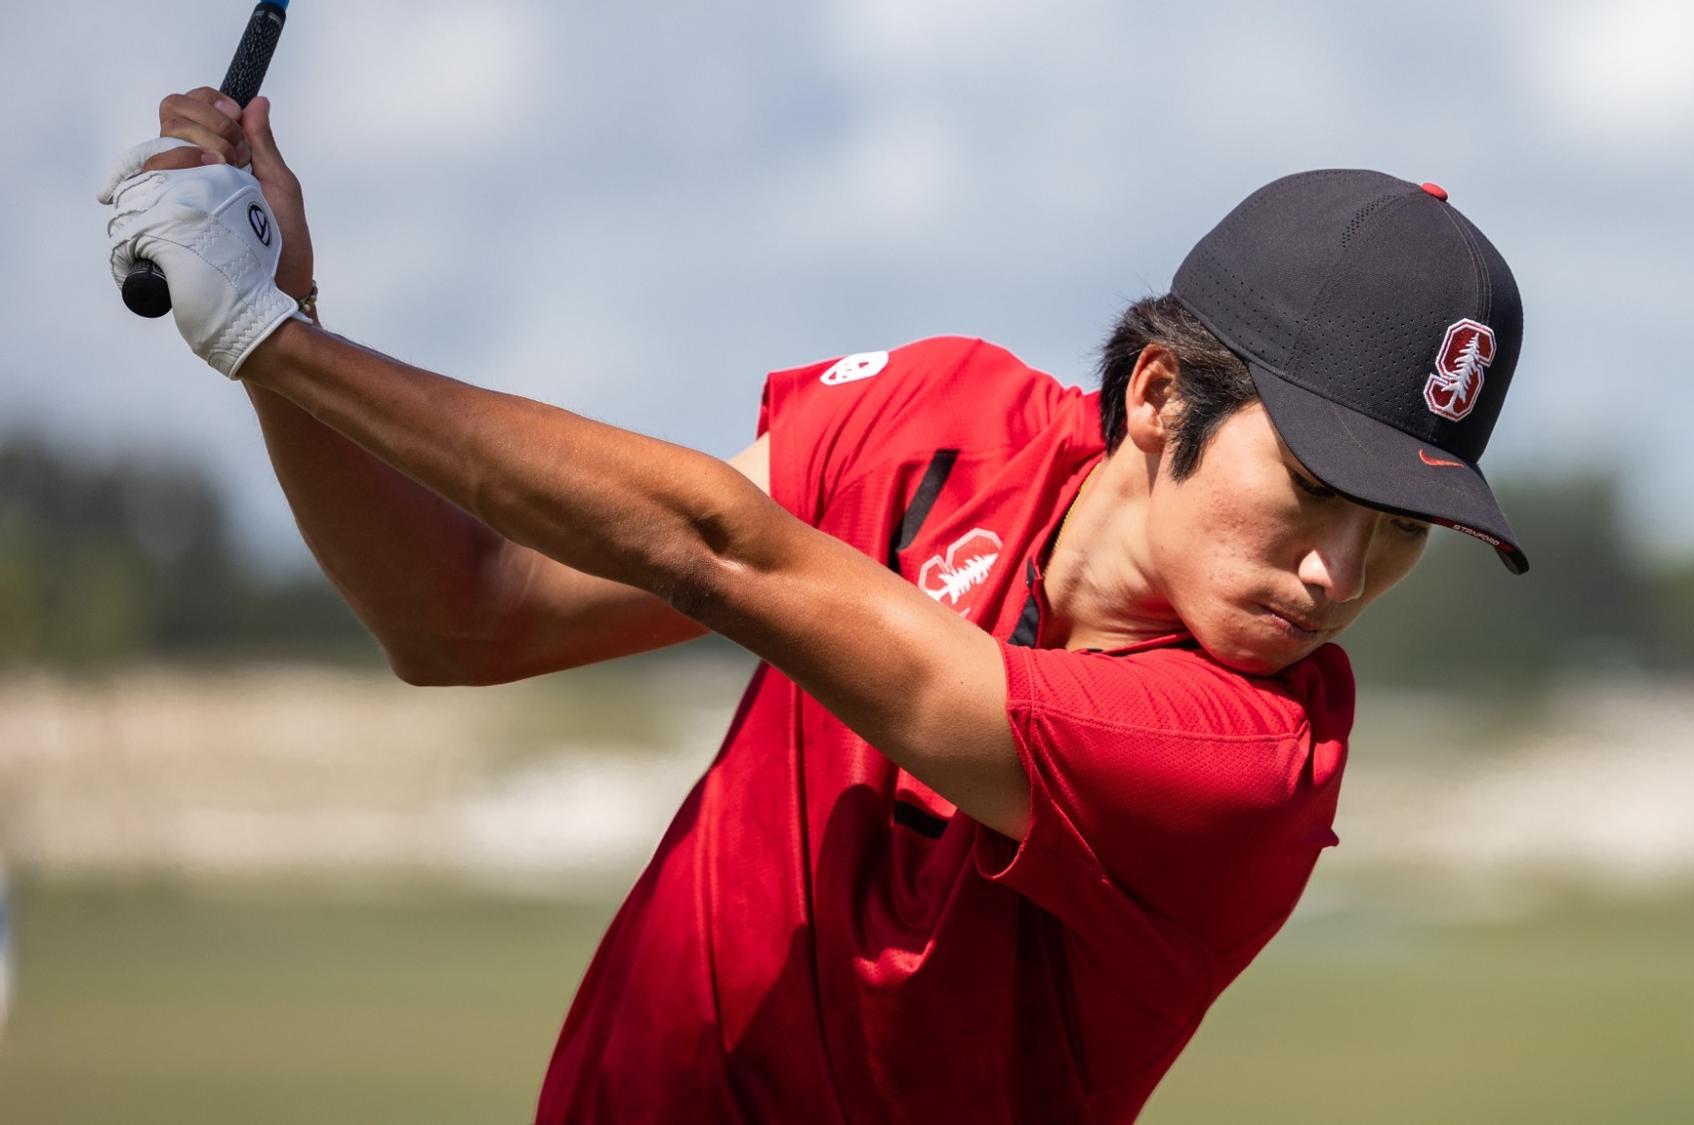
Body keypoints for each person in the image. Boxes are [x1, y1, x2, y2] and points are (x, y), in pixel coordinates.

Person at [101, 87, 1529, 1124]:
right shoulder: (933, 421)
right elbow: (461, 616)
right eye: (1310, 488)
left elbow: (725, 552)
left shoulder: (1252, 757)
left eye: (1397, 529)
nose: (1337, 572)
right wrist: (283, 324)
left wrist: (273, 340)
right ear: (1159, 396)